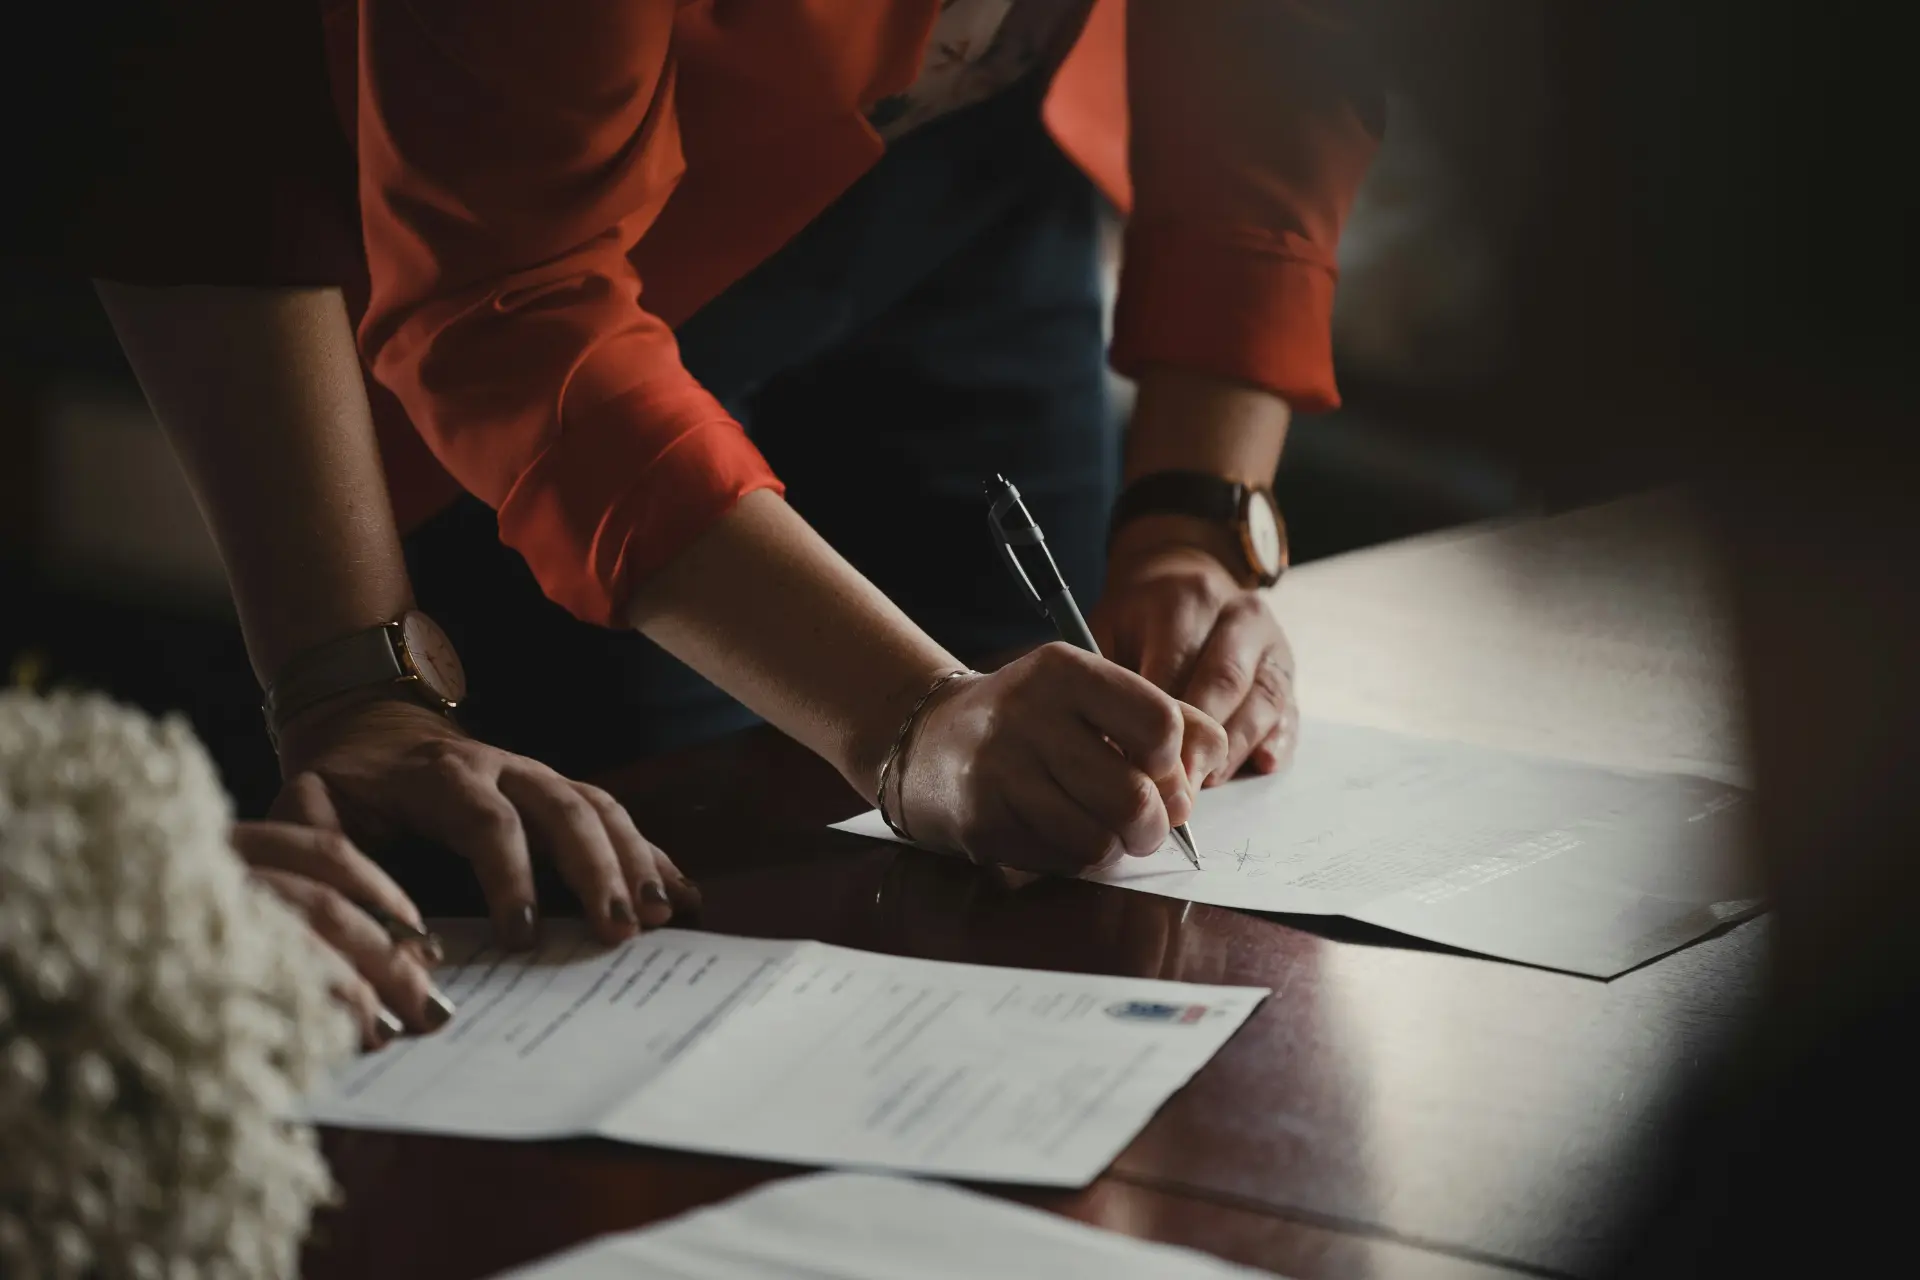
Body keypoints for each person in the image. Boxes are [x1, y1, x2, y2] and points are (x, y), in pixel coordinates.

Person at [306, 0, 1377, 884]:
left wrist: (1190, 522)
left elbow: (1285, 60)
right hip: (588, 271)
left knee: (1055, 815)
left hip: (985, 157)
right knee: (663, 867)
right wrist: (904, 715)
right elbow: (512, 300)